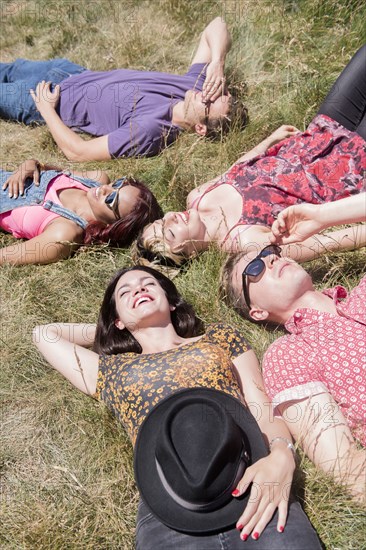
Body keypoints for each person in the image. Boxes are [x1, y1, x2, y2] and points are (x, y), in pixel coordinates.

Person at [33, 265, 321, 549]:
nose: (139, 290)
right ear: (117, 320)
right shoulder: (110, 370)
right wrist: (112, 328)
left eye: (148, 284)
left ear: (170, 302)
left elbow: (260, 404)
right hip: (171, 507)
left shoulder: (219, 338)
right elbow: (44, 335)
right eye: (125, 293)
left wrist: (282, 453)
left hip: (250, 480)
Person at [136, 45, 366, 271]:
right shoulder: (244, 242)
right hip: (353, 167)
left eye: (161, 221)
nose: (171, 218)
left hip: (319, 132)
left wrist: (269, 140)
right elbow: (322, 244)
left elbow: (237, 170)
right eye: (169, 232)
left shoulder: (197, 197)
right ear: (189, 254)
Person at [220, 194, 366, 501]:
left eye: (270, 252)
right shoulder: (289, 355)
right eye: (255, 269)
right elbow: (344, 466)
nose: (271, 259)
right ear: (256, 311)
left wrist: (324, 216)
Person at [0, 18, 246, 162]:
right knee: (7, 69)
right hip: (70, 72)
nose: (206, 92)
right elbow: (217, 24)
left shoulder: (151, 131)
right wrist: (218, 62)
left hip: (44, 99)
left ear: (200, 128)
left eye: (209, 101)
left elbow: (79, 152)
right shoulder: (194, 86)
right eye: (215, 91)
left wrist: (46, 110)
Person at [0, 159, 162, 265]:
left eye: (112, 199)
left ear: (115, 226)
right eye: (118, 184)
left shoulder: (63, 235)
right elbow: (47, 168)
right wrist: (30, 165)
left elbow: (6, 256)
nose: (106, 189)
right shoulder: (96, 178)